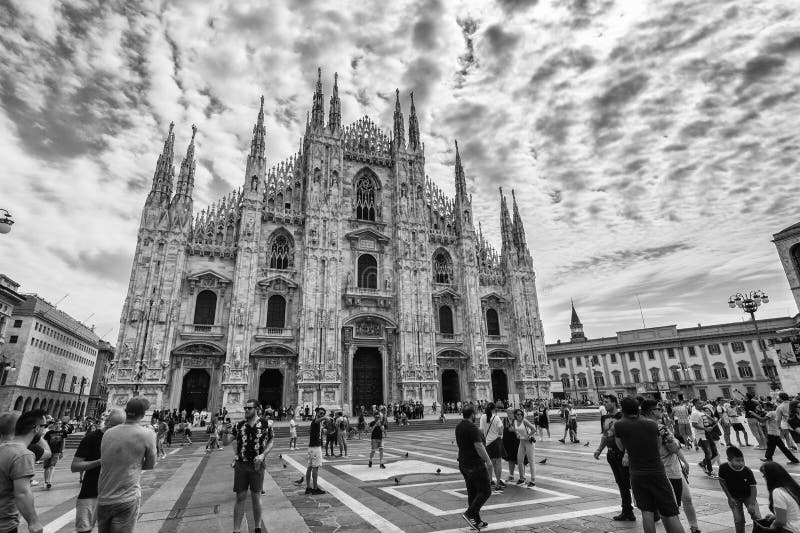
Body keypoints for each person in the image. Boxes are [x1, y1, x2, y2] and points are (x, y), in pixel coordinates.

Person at [614, 397, 685, 533]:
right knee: (670, 511)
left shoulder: (619, 425)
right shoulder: (651, 424)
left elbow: (620, 446)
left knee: (647, 512)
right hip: (657, 471)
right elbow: (658, 444)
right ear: (638, 408)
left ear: (622, 409)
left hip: (637, 473)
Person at [97, 397, 158, 533]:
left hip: (103, 498)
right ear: (143, 414)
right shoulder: (147, 434)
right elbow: (150, 465)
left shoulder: (107, 433)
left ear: (126, 411)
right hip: (127, 497)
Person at [643, 400, 701, 533]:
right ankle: (690, 527)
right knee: (672, 506)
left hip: (668, 468)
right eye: (659, 409)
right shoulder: (659, 427)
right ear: (653, 411)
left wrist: (683, 460)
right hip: (669, 470)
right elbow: (673, 446)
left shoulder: (644, 426)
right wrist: (679, 448)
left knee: (679, 501)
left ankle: (693, 527)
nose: (662, 410)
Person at [71, 410, 126, 533]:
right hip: (91, 492)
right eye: (115, 427)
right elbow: (75, 466)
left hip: (115, 493)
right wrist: (99, 462)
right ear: (107, 423)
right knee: (84, 530)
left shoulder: (123, 439)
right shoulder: (91, 438)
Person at [0, 410, 47, 533]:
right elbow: (22, 493)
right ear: (36, 428)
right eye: (45, 426)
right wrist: (33, 522)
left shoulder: (3, 448)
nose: (46, 430)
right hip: (4, 524)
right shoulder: (23, 454)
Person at [232, 399, 274, 533]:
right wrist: (223, 434)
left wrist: (263, 455)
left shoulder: (266, 424)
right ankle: (236, 530)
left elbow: (271, 440)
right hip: (241, 464)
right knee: (240, 497)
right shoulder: (239, 425)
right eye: (245, 408)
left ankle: (258, 528)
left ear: (257, 409)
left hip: (257, 465)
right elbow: (228, 441)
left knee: (256, 496)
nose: (246, 410)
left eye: (249, 408)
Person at [593, 395, 635, 522]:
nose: (604, 404)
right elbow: (606, 435)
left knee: (630, 483)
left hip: (622, 453)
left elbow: (629, 436)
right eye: (603, 402)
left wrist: (627, 454)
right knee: (621, 483)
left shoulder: (622, 416)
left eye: (606, 402)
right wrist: (599, 449)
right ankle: (627, 511)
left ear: (614, 403)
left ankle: (652, 509)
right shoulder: (605, 418)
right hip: (611, 454)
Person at [456, 405, 493, 531]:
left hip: (463, 463)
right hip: (474, 464)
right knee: (486, 491)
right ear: (472, 414)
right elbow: (479, 446)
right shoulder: (472, 427)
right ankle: (469, 514)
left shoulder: (459, 426)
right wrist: (488, 461)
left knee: (473, 492)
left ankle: (476, 521)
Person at [719, 446, 761, 533]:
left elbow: (753, 488)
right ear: (729, 460)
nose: (741, 463)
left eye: (742, 460)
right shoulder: (723, 468)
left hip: (748, 496)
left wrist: (752, 504)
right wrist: (729, 497)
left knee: (757, 517)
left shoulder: (747, 471)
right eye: (737, 461)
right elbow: (722, 482)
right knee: (738, 520)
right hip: (734, 497)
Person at [759, 461, 800, 532]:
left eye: (765, 475)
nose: (764, 477)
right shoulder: (791, 487)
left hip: (790, 529)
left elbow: (781, 521)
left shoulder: (778, 492)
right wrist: (775, 516)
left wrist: (773, 525)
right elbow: (792, 511)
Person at [297, 407, 326, 495]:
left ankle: (308, 487)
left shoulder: (317, 423)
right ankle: (315, 488)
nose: (321, 415)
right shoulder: (315, 421)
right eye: (320, 413)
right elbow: (317, 421)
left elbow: (320, 432)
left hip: (311, 448)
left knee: (309, 468)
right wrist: (325, 418)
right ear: (316, 413)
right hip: (315, 448)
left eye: (323, 414)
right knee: (315, 468)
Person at [478, 403, 505, 492]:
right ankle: (497, 483)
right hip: (496, 442)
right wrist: (497, 432)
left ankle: (489, 481)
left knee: (489, 463)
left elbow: (481, 431)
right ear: (494, 409)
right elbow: (501, 432)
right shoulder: (496, 418)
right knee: (498, 463)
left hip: (487, 443)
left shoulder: (482, 417)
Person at [42, 420, 70, 490]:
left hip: (57, 451)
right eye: (57, 423)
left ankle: (49, 482)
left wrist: (62, 451)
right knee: (46, 467)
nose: (58, 425)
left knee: (52, 466)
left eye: (59, 423)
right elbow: (44, 441)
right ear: (54, 424)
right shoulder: (49, 433)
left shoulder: (63, 432)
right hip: (48, 451)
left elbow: (63, 441)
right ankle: (46, 481)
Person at [513, 408, 537, 487]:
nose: (519, 415)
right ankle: (522, 478)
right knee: (519, 460)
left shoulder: (525, 421)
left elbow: (534, 429)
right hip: (521, 442)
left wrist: (528, 435)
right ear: (515, 415)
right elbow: (516, 430)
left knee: (531, 461)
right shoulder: (515, 422)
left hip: (529, 442)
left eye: (521, 414)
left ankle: (533, 480)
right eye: (518, 414)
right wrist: (517, 434)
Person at [501, 416, 519, 484]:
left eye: (511, 412)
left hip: (516, 441)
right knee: (510, 459)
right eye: (509, 412)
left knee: (519, 459)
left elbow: (520, 429)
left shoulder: (516, 419)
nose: (510, 414)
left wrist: (514, 430)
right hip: (507, 442)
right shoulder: (504, 420)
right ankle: (511, 475)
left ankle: (522, 477)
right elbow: (501, 428)